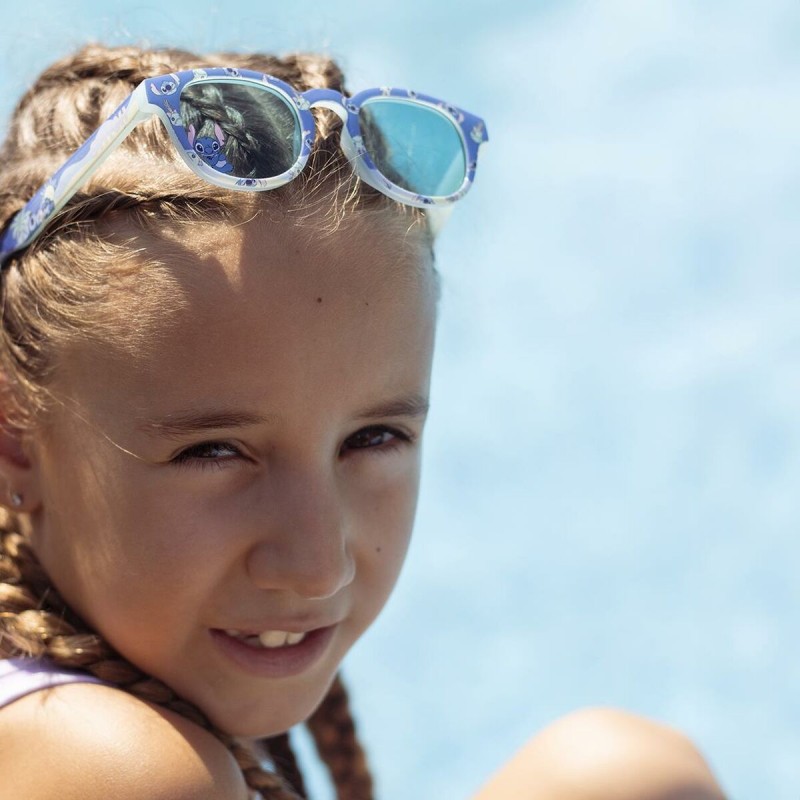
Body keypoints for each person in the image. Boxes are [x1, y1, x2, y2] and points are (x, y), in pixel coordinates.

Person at [0, 44, 724, 800]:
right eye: (215, 451)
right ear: (15, 432)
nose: (320, 566)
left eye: (373, 439)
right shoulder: (120, 770)